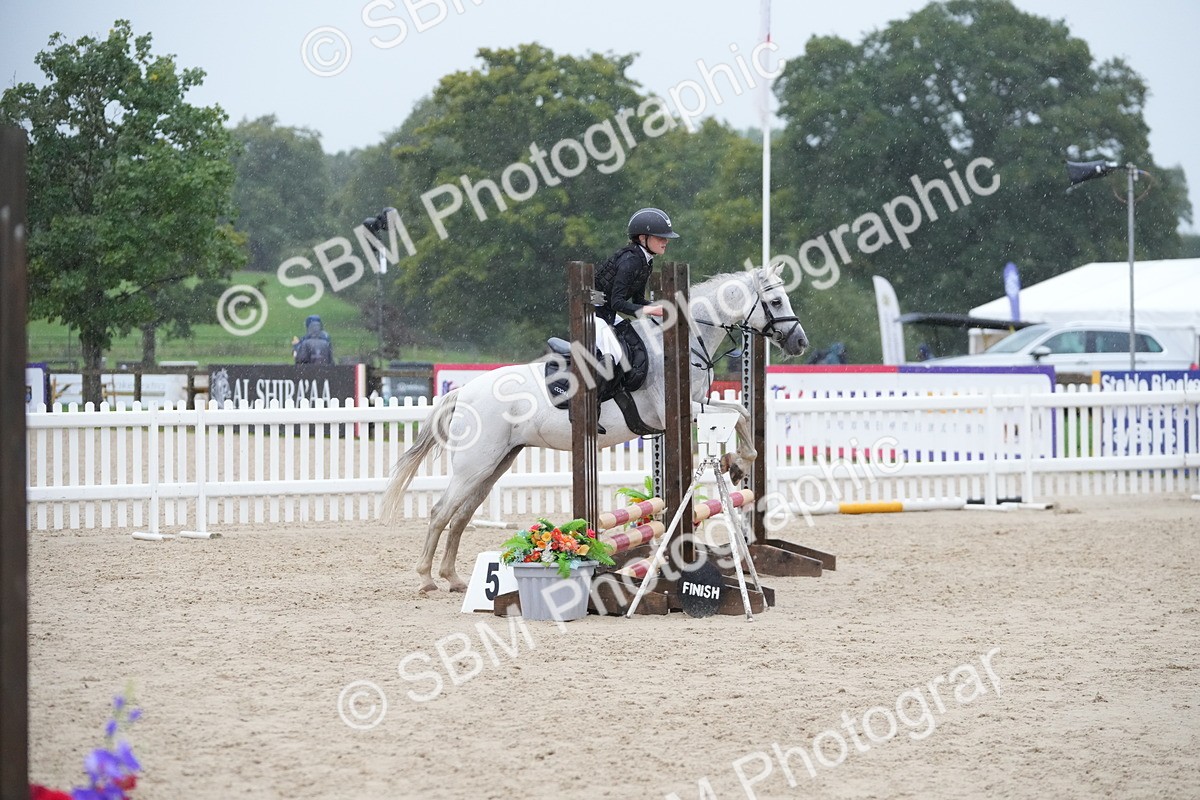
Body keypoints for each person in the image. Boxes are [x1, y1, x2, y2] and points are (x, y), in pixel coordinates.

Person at [591, 207, 679, 393]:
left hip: (608, 313)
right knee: (613, 355)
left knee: (637, 349)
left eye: (666, 237)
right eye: (660, 237)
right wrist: (651, 310)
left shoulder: (645, 260)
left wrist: (660, 307)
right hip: (591, 313)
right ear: (642, 238)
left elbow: (638, 299)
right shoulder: (630, 261)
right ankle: (593, 403)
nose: (666, 241)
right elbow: (618, 302)